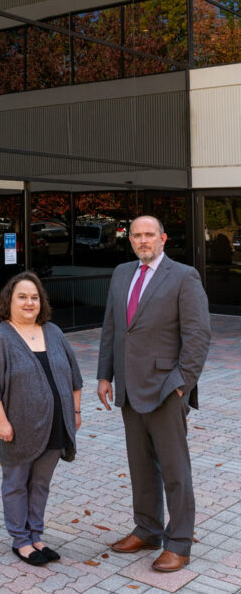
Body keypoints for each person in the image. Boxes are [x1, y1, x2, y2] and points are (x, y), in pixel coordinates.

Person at [97, 215, 211, 572]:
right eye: (136, 235)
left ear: (162, 238)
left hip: (165, 390)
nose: (143, 240)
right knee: (141, 466)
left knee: (175, 470)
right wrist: (105, 375)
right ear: (129, 240)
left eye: (149, 235)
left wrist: (182, 384)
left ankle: (178, 542)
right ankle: (147, 529)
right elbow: (112, 328)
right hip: (130, 389)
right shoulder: (120, 273)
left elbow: (198, 337)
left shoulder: (183, 276)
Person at [0, 271, 82, 566]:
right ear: (9, 301)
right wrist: (1, 421)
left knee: (40, 484)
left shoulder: (54, 332)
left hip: (56, 423)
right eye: (22, 297)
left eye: (34, 297)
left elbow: (74, 376)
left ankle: (36, 535)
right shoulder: (0, 336)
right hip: (19, 428)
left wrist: (75, 411)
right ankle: (20, 540)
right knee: (16, 483)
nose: (29, 302)